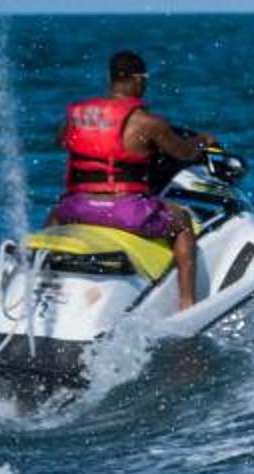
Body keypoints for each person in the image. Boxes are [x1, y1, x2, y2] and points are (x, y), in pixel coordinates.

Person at [50, 50, 213, 311]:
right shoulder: (149, 123)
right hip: (125, 210)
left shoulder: (76, 117)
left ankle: (34, 273)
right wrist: (202, 140)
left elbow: (61, 140)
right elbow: (184, 152)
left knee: (55, 216)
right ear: (138, 79)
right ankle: (187, 302)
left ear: (111, 78)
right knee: (182, 222)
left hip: (78, 208)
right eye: (144, 79)